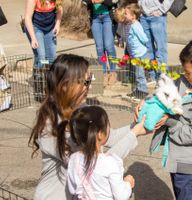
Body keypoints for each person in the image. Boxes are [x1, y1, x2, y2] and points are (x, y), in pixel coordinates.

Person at [28, 54, 147, 200]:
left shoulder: (83, 109)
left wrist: (142, 122)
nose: (89, 86)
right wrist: (133, 134)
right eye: (84, 82)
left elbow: (110, 136)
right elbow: (93, 163)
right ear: (65, 85)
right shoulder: (49, 126)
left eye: (89, 80)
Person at [136, 37, 192, 200]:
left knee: (186, 192)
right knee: (180, 191)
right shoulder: (184, 82)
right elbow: (164, 93)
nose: (185, 75)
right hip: (176, 155)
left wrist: (170, 122)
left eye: (188, 72)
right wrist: (147, 101)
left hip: (188, 162)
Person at [66, 106, 140, 199]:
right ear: (100, 134)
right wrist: (128, 183)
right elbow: (121, 196)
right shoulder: (111, 162)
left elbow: (72, 189)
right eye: (108, 125)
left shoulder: (73, 159)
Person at [139, 0, 174, 81]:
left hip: (157, 17)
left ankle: (162, 76)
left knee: (160, 48)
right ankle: (152, 76)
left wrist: (161, 11)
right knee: (147, 48)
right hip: (144, 16)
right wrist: (140, 8)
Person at [24, 0, 63, 66]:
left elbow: (60, 10)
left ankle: (47, 74)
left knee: (51, 58)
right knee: (41, 57)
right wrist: (33, 38)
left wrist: (57, 24)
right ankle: (38, 74)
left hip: (50, 28)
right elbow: (27, 18)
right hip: (36, 28)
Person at [89, 0, 118, 86]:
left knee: (109, 46)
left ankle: (113, 72)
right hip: (95, 17)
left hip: (108, 16)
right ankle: (104, 73)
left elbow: (114, 1)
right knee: (99, 48)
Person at [124, 3, 149, 100]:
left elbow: (144, 38)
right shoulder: (132, 24)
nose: (125, 15)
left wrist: (143, 44)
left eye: (126, 13)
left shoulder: (136, 26)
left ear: (133, 16)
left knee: (140, 74)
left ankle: (143, 92)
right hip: (135, 54)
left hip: (139, 54)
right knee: (136, 73)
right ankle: (138, 90)